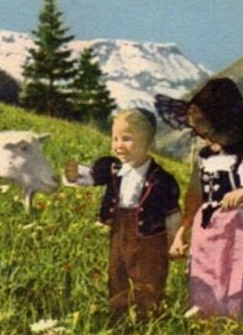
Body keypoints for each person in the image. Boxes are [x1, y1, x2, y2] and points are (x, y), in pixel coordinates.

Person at [155, 78, 243, 319]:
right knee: (207, 268)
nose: (204, 138)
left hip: (242, 231)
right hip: (207, 229)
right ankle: (209, 314)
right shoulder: (204, 159)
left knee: (239, 272)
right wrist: (182, 233)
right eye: (200, 132)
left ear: (230, 127)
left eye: (210, 132)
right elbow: (194, 197)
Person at [64, 108, 181, 321]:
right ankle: (117, 315)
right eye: (115, 138)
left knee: (148, 275)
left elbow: (172, 213)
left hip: (150, 236)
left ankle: (148, 317)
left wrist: (175, 240)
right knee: (118, 271)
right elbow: (90, 176)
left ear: (149, 143)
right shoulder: (113, 169)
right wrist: (74, 174)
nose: (118, 145)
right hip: (120, 229)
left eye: (126, 139)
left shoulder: (162, 179)